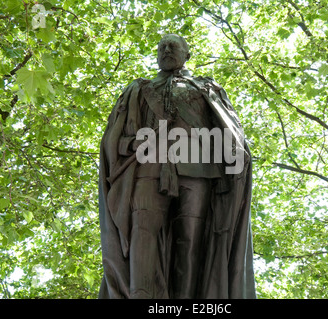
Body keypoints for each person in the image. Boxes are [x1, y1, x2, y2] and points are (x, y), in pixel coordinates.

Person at [98, 34, 255, 299]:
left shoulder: (207, 88)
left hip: (198, 170)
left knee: (191, 242)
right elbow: (112, 140)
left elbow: (231, 130)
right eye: (161, 47)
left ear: (187, 54)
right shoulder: (138, 88)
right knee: (142, 238)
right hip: (148, 170)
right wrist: (130, 143)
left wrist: (236, 153)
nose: (166, 50)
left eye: (173, 46)